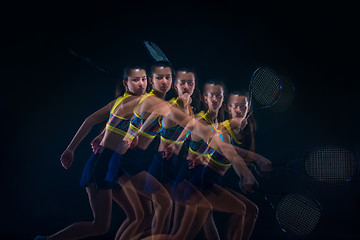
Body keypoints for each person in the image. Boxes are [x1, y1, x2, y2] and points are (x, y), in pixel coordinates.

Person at [34, 66, 148, 240]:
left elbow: (103, 122)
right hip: (100, 166)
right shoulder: (128, 102)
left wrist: (96, 138)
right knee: (101, 225)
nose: (141, 83)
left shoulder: (124, 102)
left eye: (144, 79)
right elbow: (93, 121)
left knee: (138, 216)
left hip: (115, 168)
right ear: (126, 83)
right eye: (136, 80)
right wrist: (71, 149)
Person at [183, 81, 258, 240]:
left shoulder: (233, 129)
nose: (238, 110)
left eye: (243, 106)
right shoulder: (221, 129)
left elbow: (236, 153)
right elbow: (230, 152)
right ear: (228, 108)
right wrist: (246, 176)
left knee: (251, 210)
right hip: (198, 183)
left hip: (211, 182)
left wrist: (250, 166)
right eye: (234, 106)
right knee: (240, 209)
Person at [144, 68, 212, 240]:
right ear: (175, 85)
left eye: (191, 83)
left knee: (167, 217)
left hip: (173, 165)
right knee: (161, 214)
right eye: (183, 83)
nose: (187, 86)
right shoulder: (172, 106)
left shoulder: (188, 109)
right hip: (161, 164)